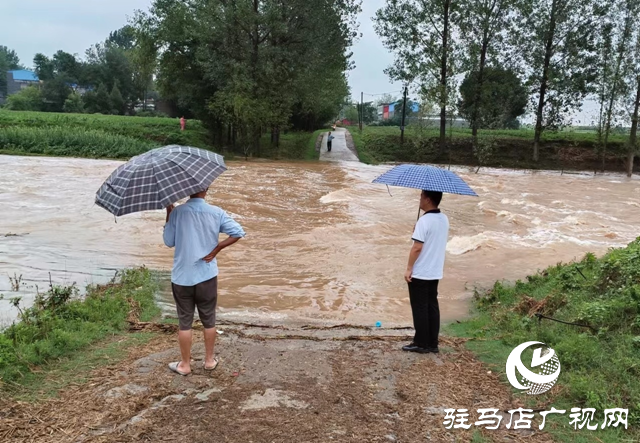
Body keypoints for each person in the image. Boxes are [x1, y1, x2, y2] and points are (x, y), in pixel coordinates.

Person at [163, 188, 245, 376]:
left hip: (182, 276)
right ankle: (209, 361)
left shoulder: (178, 212)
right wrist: (216, 250)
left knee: (185, 321)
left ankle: (184, 365)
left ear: (187, 190)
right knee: (209, 319)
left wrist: (169, 212)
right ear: (206, 190)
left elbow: (168, 242)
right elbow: (238, 232)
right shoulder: (216, 212)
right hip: (207, 275)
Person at [402, 190, 449, 354]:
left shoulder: (424, 221)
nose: (419, 200)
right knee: (432, 306)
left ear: (428, 199)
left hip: (421, 271)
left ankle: (421, 343)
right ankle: (432, 343)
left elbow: (417, 247)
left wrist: (409, 268)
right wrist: (418, 229)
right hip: (435, 270)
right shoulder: (444, 219)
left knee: (420, 307)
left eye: (421, 197)